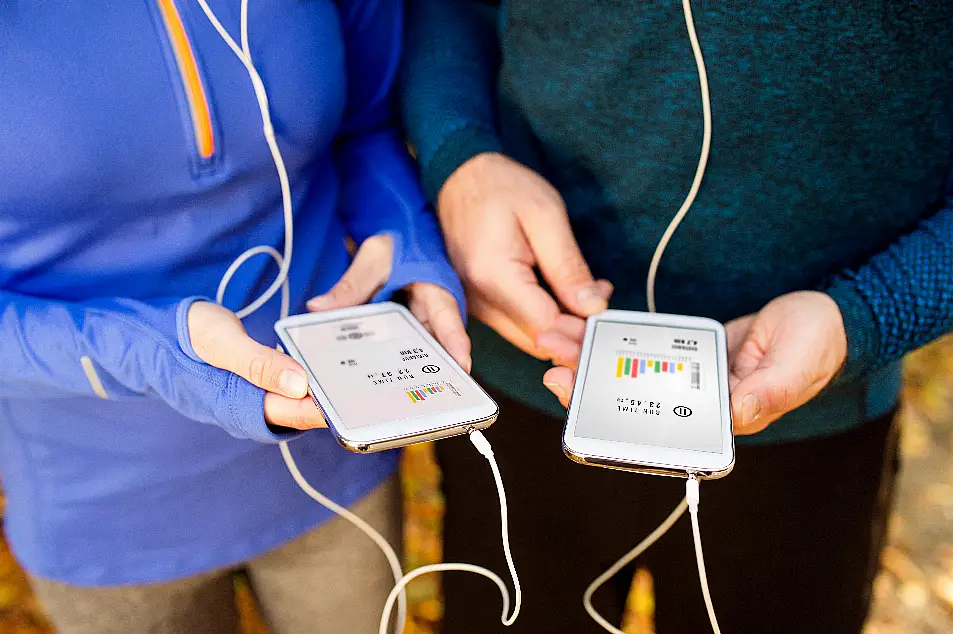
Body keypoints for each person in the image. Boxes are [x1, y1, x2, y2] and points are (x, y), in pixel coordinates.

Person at [401, 1, 953, 632]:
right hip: (523, 365)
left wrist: (874, 311)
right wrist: (462, 158)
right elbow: (447, 9)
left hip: (816, 413)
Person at [0, 2, 468, 633]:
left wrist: (405, 234)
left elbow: (365, 126)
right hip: (105, 515)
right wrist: (153, 351)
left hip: (338, 461)